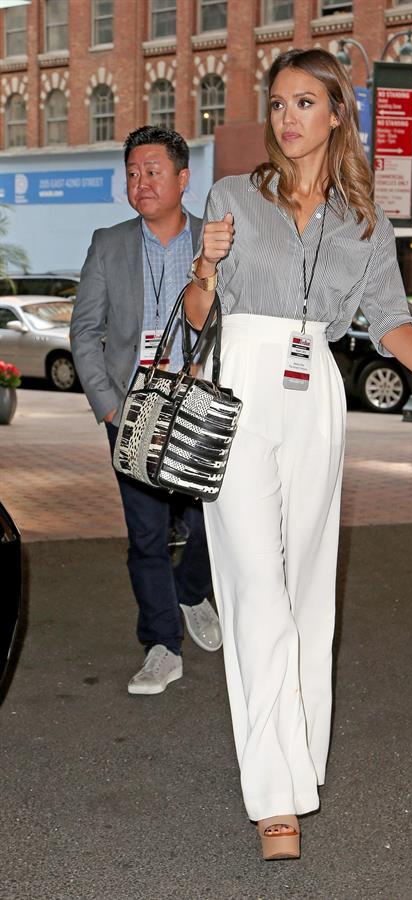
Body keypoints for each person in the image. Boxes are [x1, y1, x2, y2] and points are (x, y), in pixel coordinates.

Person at [184, 48, 412, 860]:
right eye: (279, 103)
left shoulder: (364, 221)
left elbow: (388, 320)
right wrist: (207, 266)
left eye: (305, 102)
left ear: (334, 115)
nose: (288, 117)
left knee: (306, 591)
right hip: (239, 384)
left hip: (314, 388)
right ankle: (274, 797)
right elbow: (194, 313)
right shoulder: (229, 197)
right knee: (255, 585)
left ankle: (298, 759)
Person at [70, 126, 222, 696]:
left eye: (153, 170)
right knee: (146, 534)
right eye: (133, 172)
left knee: (214, 521)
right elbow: (85, 332)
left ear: (183, 178)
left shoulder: (216, 240)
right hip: (133, 412)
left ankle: (191, 592)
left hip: (199, 407)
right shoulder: (108, 242)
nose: (141, 182)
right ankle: (162, 643)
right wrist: (109, 409)